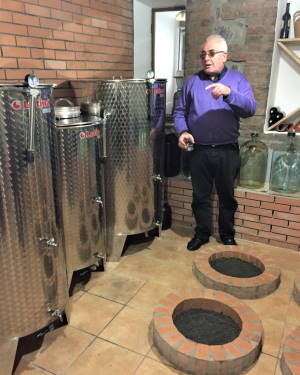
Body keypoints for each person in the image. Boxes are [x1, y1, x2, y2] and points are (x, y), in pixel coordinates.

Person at [173, 34, 256, 251]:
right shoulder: (192, 82)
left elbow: (250, 109)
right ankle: (202, 233)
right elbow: (180, 112)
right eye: (203, 54)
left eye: (211, 53)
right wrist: (182, 131)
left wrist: (229, 93)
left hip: (227, 151)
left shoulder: (238, 81)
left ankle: (227, 234)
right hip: (198, 151)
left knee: (227, 197)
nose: (206, 58)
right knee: (200, 196)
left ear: (224, 56)